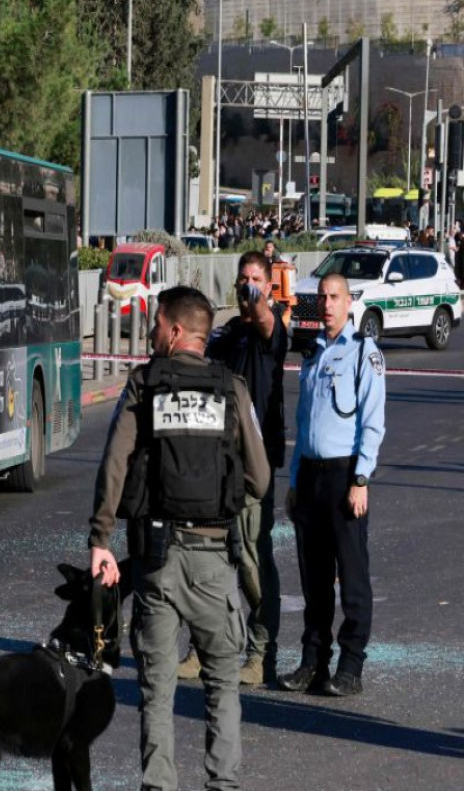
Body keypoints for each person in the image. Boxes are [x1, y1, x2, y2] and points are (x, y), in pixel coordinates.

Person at [88, 286, 270, 791]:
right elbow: (260, 478)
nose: (150, 335)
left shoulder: (144, 385)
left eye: (154, 326)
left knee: (157, 689)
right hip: (214, 559)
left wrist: (100, 538)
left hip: (157, 561)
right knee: (222, 684)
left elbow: (115, 464)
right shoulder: (231, 388)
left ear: (172, 331)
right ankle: (223, 785)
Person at [176, 251, 287, 687]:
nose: (246, 285)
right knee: (210, 562)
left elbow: (265, 322)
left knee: (252, 563)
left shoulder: (271, 330)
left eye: (255, 278)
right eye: (243, 278)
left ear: (269, 285)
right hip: (216, 468)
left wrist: (258, 299)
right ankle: (205, 650)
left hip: (253, 468)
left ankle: (262, 655)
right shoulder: (226, 333)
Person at [278, 273, 386, 697]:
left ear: (348, 302)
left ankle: (351, 665)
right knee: (314, 579)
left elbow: (373, 424)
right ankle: (312, 661)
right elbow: (304, 424)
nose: (326, 304)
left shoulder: (364, 352)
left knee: (353, 576)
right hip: (310, 476)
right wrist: (294, 477)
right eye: (321, 297)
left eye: (334, 297)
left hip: (345, 477)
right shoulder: (313, 355)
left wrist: (361, 478)